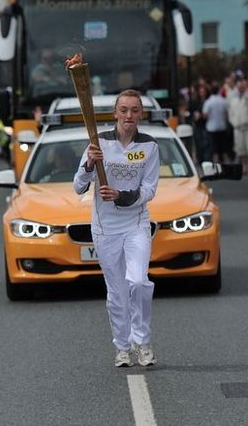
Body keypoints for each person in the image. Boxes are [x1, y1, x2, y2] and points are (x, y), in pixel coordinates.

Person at [73, 90, 160, 367]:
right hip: (104, 228)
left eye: (134, 110)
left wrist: (123, 196)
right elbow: (78, 186)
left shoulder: (150, 146)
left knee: (138, 281)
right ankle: (123, 347)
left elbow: (150, 189)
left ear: (140, 114)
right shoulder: (98, 143)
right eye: (124, 110)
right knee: (117, 291)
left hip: (135, 224)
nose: (128, 116)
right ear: (115, 113)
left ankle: (142, 343)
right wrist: (89, 164)